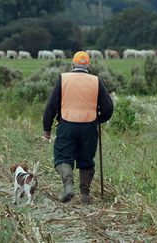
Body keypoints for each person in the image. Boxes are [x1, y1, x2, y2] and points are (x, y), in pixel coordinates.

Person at [43, 51, 113, 204]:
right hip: (89, 126)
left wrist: (46, 128)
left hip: (67, 125)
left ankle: (68, 186)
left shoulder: (64, 78)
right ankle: (85, 195)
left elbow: (51, 106)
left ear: (73, 65)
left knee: (62, 156)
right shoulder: (96, 81)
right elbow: (108, 107)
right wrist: (98, 119)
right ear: (88, 66)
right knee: (86, 159)